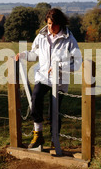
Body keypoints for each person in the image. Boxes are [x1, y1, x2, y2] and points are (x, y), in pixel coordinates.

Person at [16, 8, 82, 149]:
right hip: (43, 76)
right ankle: (38, 134)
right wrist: (23, 55)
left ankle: (54, 140)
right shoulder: (41, 36)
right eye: (49, 23)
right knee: (36, 98)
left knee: (54, 111)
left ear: (61, 24)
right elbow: (35, 54)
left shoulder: (69, 39)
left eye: (53, 24)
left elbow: (76, 63)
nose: (50, 27)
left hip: (59, 80)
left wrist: (60, 67)